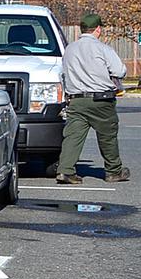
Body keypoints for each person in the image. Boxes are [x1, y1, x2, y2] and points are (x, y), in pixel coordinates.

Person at [55, 12, 128, 183]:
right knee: (107, 136)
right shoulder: (102, 49)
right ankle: (113, 171)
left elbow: (63, 74)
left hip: (76, 100)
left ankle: (65, 170)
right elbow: (120, 71)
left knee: (73, 136)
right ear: (98, 29)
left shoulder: (70, 49)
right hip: (101, 99)